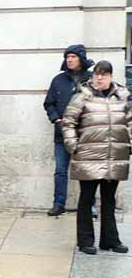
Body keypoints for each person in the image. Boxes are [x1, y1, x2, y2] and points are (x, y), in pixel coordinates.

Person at [60, 60, 130, 255]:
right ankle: (85, 240)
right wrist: (74, 146)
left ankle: (110, 240)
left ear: (111, 76)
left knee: (109, 200)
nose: (99, 78)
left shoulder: (123, 96)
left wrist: (129, 145)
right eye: (97, 74)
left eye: (104, 74)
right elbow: (68, 123)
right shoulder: (81, 96)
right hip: (88, 157)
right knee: (86, 198)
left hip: (114, 157)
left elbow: (130, 121)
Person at [44, 44, 92, 216]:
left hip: (85, 134)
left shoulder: (92, 79)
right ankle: (58, 204)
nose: (69, 60)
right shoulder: (58, 80)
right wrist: (56, 118)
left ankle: (89, 206)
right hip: (62, 134)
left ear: (81, 58)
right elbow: (48, 103)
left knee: (87, 171)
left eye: (73, 56)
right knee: (60, 171)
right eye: (67, 57)